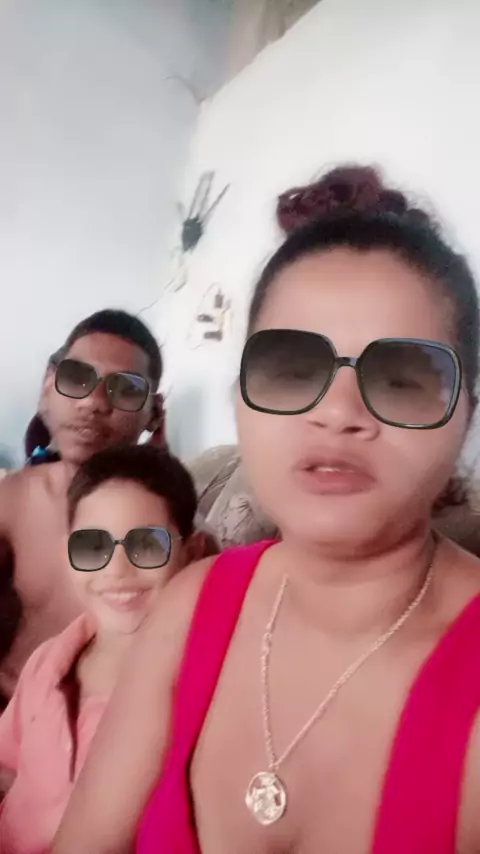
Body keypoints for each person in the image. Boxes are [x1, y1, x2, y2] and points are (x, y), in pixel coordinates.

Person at [53, 165, 480, 854]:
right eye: (291, 368)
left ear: (466, 415)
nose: (337, 413)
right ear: (240, 400)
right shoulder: (189, 606)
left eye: (403, 379)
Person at [0, 443, 202, 854]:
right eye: (92, 546)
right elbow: (9, 767)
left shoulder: (192, 691)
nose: (116, 569)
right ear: (67, 555)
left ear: (192, 552)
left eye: (147, 545)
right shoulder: (49, 661)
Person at [0, 309, 164, 706]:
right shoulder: (12, 500)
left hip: (104, 729)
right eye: (76, 378)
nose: (92, 402)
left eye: (125, 389)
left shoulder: (175, 532)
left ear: (153, 413)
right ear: (48, 386)